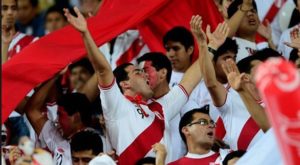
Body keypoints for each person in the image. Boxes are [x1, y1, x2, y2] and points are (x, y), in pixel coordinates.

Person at [64, 7, 202, 164]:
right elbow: (103, 70)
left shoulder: (161, 108)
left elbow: (190, 80)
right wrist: (85, 34)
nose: (145, 74)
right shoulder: (116, 105)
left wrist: (208, 46)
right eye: (138, 72)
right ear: (124, 84)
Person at [197, 14, 264, 151]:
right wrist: (207, 46)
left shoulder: (275, 102)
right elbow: (210, 82)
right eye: (260, 70)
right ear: (246, 76)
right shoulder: (231, 97)